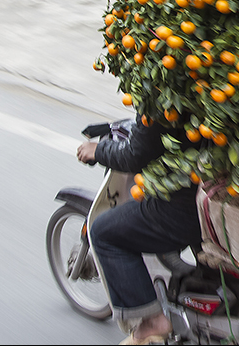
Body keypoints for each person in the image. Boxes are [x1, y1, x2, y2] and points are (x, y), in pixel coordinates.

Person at [76, 111, 202, 345]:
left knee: (103, 232)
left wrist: (98, 150)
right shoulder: (206, 88)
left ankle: (152, 321)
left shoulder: (162, 92)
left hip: (183, 211)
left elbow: (137, 154)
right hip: (216, 200)